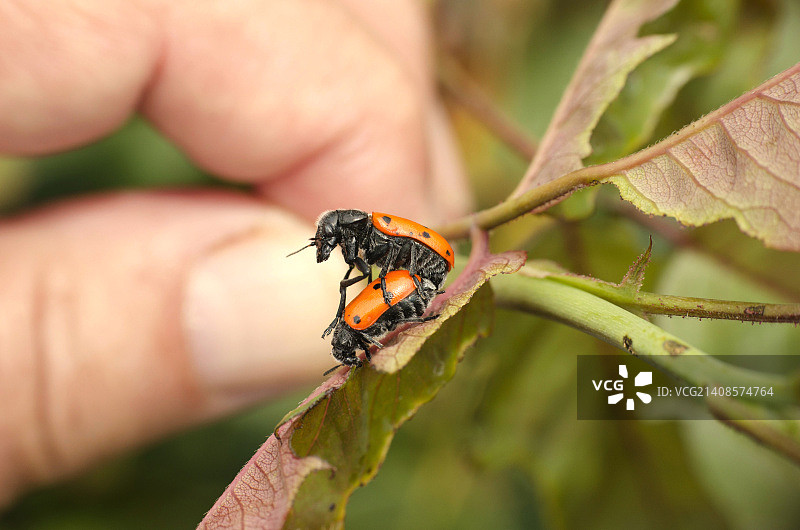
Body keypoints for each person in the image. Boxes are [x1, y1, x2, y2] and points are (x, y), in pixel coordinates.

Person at [0, 0, 468, 508]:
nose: (329, 248)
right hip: (413, 267)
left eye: (329, 239)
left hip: (428, 257)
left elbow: (388, 264)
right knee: (361, 289)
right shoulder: (366, 239)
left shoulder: (376, 230)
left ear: (345, 229)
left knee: (367, 288)